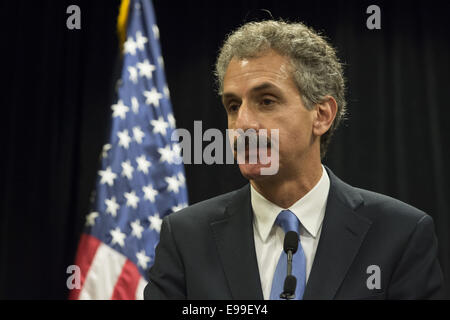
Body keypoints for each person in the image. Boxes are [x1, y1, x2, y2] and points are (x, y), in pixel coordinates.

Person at [144, 20, 445, 299]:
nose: (243, 123)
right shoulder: (186, 238)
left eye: (266, 101)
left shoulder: (399, 235)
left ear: (322, 115)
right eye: (233, 105)